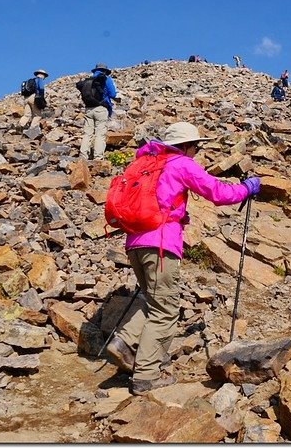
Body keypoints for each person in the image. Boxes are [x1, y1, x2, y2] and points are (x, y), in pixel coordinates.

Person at [105, 121, 261, 395]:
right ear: (186, 145)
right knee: (165, 309)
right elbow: (218, 193)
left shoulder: (149, 162)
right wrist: (247, 188)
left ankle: (124, 343)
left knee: (152, 299)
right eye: (196, 146)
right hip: (162, 245)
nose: (197, 151)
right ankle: (146, 376)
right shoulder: (181, 164)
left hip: (135, 242)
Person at [80, 63, 118, 161]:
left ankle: (83, 156)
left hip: (88, 109)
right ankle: (98, 157)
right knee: (100, 133)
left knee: (87, 133)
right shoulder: (106, 78)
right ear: (105, 71)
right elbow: (113, 94)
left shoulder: (89, 80)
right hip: (101, 108)